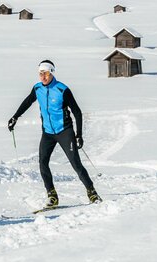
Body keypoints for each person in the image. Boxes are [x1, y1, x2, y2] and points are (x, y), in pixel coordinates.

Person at [8, 60, 101, 208]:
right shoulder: (37, 88)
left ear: (51, 73)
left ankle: (91, 191)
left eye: (45, 74)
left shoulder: (62, 89)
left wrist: (79, 134)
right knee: (43, 163)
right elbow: (27, 102)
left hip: (65, 131)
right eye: (40, 74)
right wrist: (15, 117)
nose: (43, 77)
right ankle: (52, 195)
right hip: (48, 133)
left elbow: (77, 112)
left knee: (76, 164)